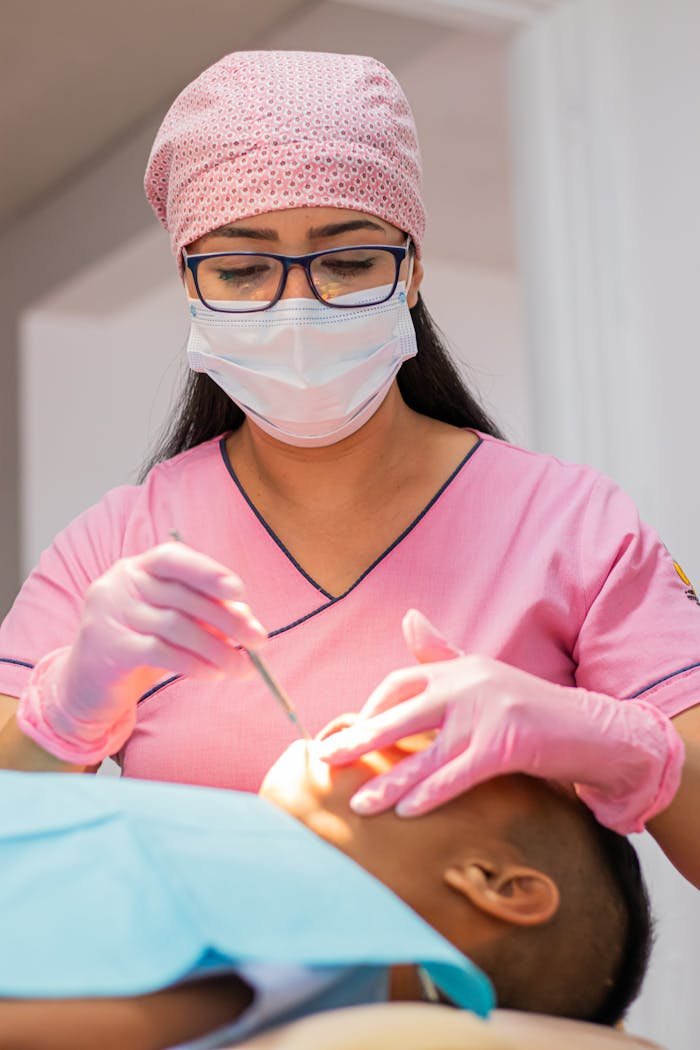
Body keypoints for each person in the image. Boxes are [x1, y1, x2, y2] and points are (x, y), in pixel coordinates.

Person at [0, 50, 697, 889]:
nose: (298, 308)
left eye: (348, 260)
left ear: (411, 271)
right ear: (191, 284)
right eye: (243, 269)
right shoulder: (120, 547)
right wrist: (66, 709)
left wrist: (617, 744)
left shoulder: (571, 527)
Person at [0, 723, 652, 1049]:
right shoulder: (249, 854)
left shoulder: (326, 945)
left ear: (491, 883)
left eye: (429, 750)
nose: (370, 722)